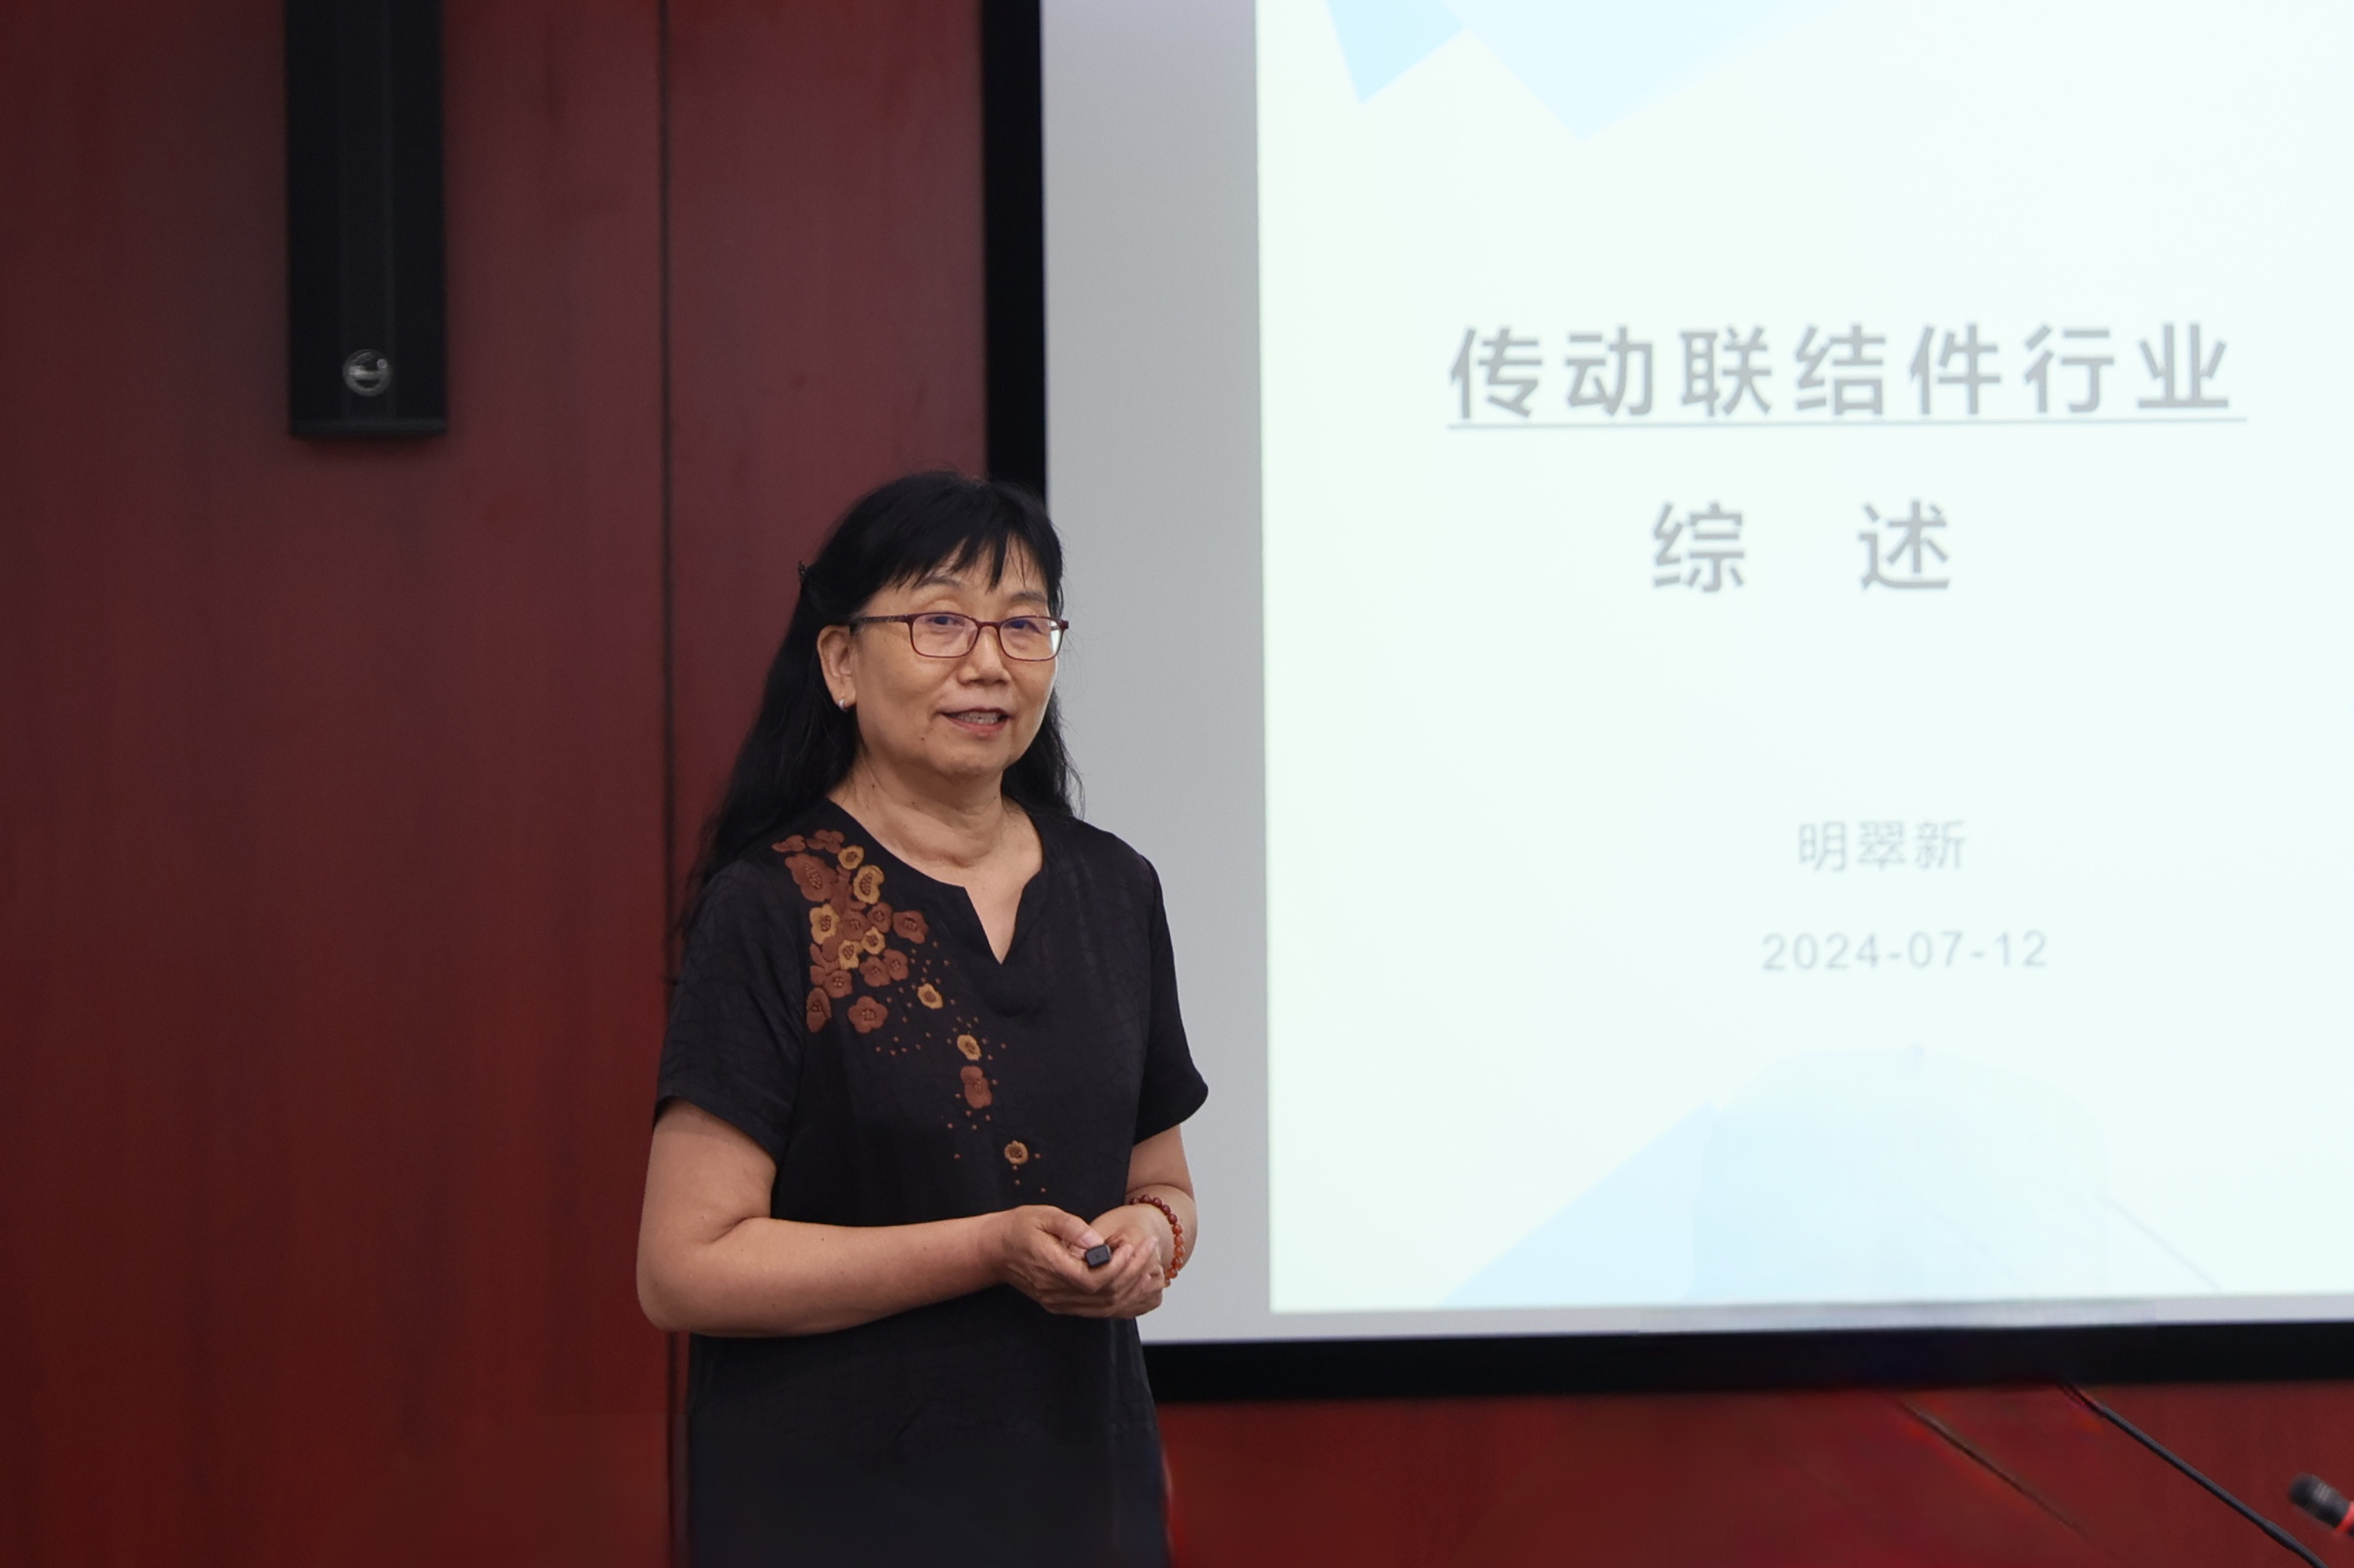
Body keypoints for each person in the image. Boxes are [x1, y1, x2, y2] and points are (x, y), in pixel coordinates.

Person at [636, 472, 1206, 1566]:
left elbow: (1162, 1186)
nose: (988, 662)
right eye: (940, 621)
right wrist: (987, 1249)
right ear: (841, 662)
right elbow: (685, 1267)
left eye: (1023, 624)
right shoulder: (775, 903)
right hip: (834, 1506)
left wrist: (1150, 1239)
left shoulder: (1113, 889)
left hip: (1079, 1492)